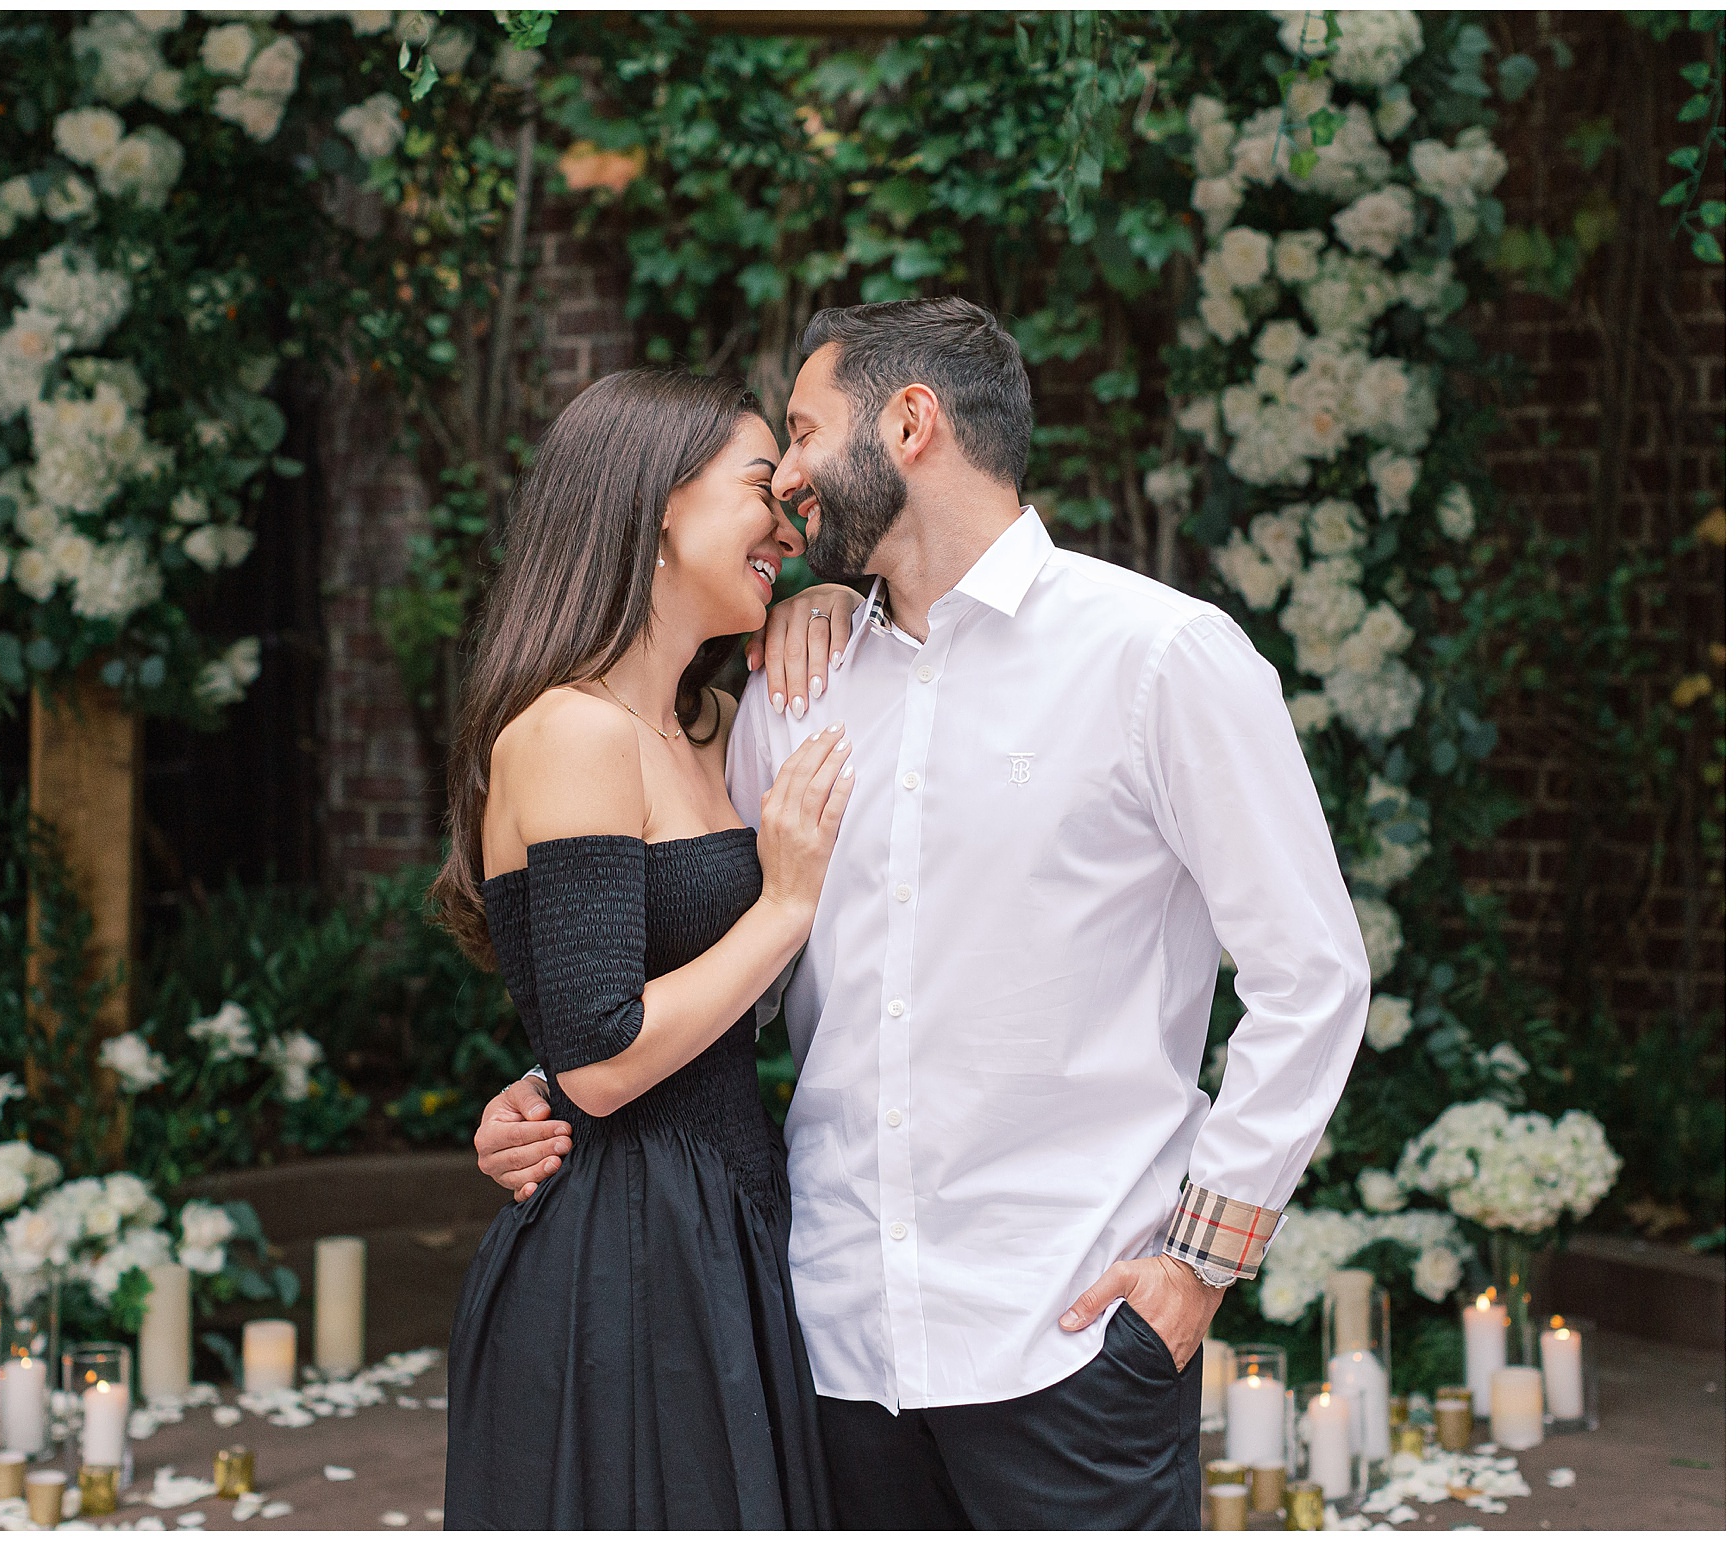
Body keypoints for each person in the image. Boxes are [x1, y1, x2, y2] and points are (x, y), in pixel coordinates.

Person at [472, 297, 1371, 1528]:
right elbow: (677, 933)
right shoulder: (792, 687)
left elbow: (1312, 972)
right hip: (825, 1341)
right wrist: (556, 1074)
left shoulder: (1157, 657)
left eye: (800, 429)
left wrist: (1199, 1262)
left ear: (907, 423)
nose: (788, 478)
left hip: (1066, 1334)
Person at [431, 368, 855, 1528]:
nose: (784, 521)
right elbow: (601, 1055)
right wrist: (784, 904)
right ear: (658, 504)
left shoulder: (705, 721)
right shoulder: (569, 731)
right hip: (622, 1252)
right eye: (759, 489)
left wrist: (815, 602)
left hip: (729, 1210)